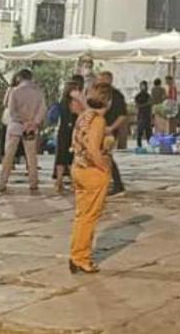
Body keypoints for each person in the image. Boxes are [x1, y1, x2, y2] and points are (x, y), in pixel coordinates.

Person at [68, 81, 113, 274]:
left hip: (77, 167)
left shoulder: (83, 116)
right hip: (92, 171)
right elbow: (94, 149)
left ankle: (76, 253)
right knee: (89, 216)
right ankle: (82, 257)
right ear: (108, 102)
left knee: (81, 215)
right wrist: (104, 167)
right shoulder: (98, 121)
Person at [0, 68, 46, 194]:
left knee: (9, 155)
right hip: (31, 127)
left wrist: (23, 121)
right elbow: (42, 109)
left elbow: (12, 111)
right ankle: (33, 182)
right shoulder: (39, 92)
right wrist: (34, 122)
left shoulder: (15, 91)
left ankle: (3, 182)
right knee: (31, 156)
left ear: (20, 78)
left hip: (16, 126)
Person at [97, 71, 128, 196]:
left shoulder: (117, 96)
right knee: (99, 155)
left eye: (103, 80)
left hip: (109, 130)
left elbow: (123, 115)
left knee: (106, 156)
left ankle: (117, 183)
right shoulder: (98, 93)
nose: (100, 83)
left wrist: (112, 128)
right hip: (98, 128)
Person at [54, 76, 84, 193]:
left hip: (62, 131)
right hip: (73, 131)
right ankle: (74, 182)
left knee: (60, 157)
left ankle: (59, 181)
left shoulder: (62, 102)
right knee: (72, 157)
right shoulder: (76, 102)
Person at [134, 81, 153, 148]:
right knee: (140, 130)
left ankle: (150, 144)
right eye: (142, 86)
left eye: (145, 85)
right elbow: (137, 105)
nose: (144, 87)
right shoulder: (138, 96)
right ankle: (139, 145)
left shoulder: (148, 95)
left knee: (148, 130)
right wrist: (147, 104)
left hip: (147, 114)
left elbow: (150, 104)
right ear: (140, 86)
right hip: (141, 115)